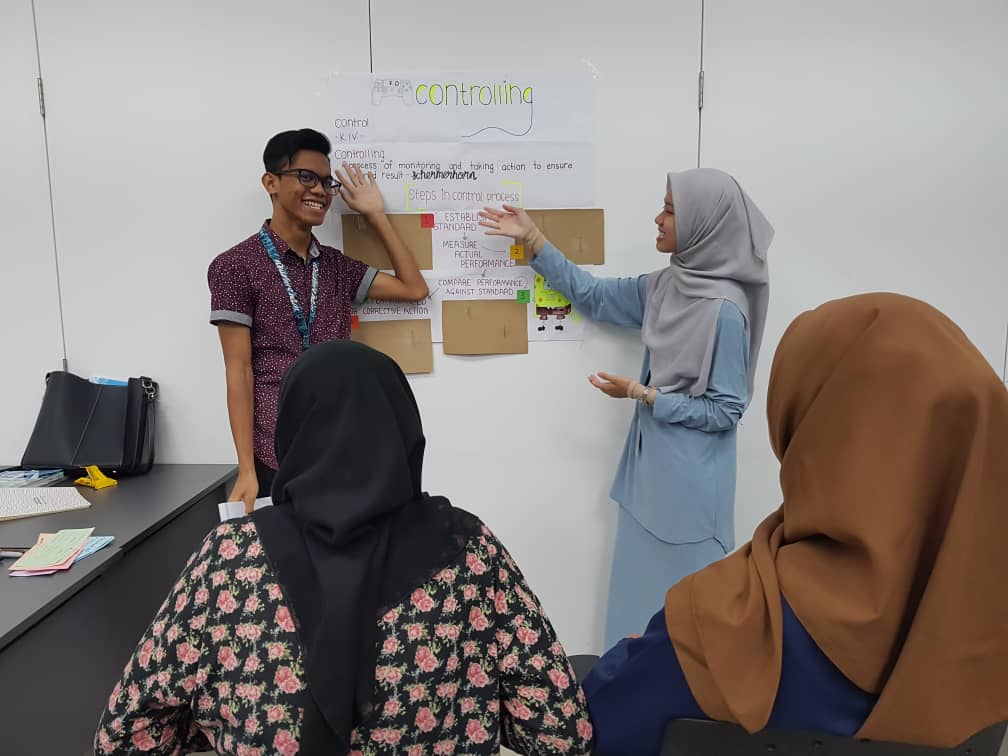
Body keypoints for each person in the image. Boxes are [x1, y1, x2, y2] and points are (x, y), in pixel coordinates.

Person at [94, 341, 593, 756]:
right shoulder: (470, 553)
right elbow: (560, 732)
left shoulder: (229, 559)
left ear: (293, 432)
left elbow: (126, 734)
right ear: (403, 429)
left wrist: (220, 722)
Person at [581, 293, 1008, 754]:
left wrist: (641, 653)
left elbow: (590, 725)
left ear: (814, 425)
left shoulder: (727, 625)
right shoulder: (989, 629)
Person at [480, 169, 772, 645]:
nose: (658, 219)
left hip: (693, 495)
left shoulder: (726, 311)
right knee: (634, 624)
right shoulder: (666, 285)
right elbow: (594, 297)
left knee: (689, 630)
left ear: (704, 223)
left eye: (671, 210)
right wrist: (534, 239)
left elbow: (725, 411)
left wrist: (646, 395)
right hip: (645, 482)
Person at [209, 128, 429, 512]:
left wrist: (375, 215)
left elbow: (414, 288)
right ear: (271, 183)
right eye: (306, 177)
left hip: (343, 444)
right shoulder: (234, 266)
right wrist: (246, 469)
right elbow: (238, 370)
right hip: (275, 450)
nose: (320, 191)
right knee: (286, 548)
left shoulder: (336, 267)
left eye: (327, 182)